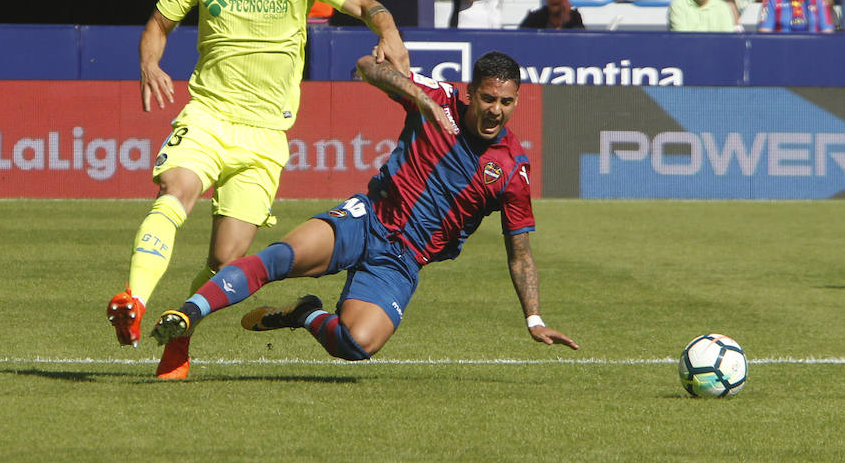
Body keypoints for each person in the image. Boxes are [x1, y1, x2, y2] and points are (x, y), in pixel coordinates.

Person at [105, 0, 410, 380]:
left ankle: (180, 334)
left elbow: (365, 4)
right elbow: (159, 24)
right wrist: (149, 64)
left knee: (228, 259)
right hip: (207, 116)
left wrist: (388, 29)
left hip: (265, 138)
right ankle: (133, 299)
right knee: (177, 188)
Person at [149, 51, 580, 365]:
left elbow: (520, 253)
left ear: (517, 100)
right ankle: (187, 314)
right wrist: (420, 98)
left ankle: (305, 313)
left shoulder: (511, 168)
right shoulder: (438, 99)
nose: (495, 111)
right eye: (488, 99)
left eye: (506, 102)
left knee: (356, 346)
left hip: (402, 261)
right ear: (472, 92)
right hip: (367, 218)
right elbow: (368, 66)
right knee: (279, 257)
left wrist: (534, 318)